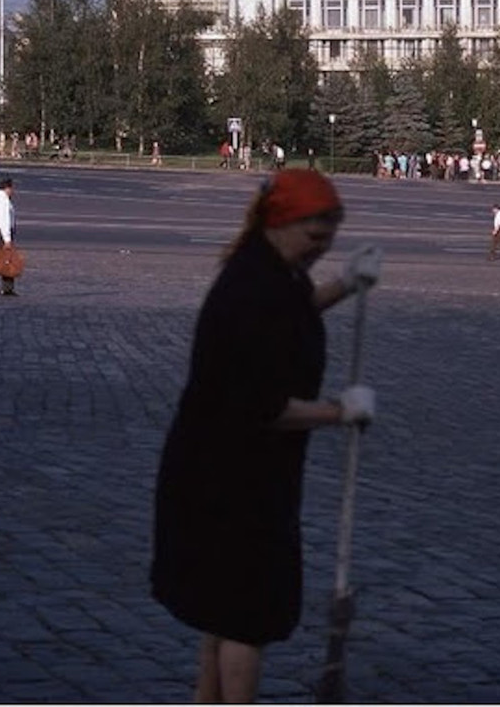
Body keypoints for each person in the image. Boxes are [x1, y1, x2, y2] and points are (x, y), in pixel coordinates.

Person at [151, 169, 382, 704]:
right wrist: (339, 411)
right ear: (281, 223)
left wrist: (346, 284)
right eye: (314, 237)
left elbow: (293, 312)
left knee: (222, 616)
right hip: (230, 483)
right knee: (243, 621)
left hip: (232, 474)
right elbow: (264, 408)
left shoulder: (272, 271)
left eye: (329, 239)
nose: (320, 249)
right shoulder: (251, 289)